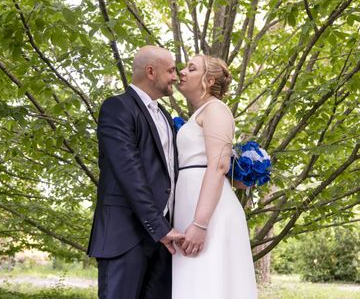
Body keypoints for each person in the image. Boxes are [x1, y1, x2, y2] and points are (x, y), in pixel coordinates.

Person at [87, 45, 185, 299]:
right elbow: (128, 171)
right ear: (151, 72)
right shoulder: (117, 108)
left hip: (163, 242)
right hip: (124, 236)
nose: (176, 76)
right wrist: (159, 226)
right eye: (171, 70)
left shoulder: (164, 115)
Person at [172, 55, 258, 298]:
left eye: (191, 68)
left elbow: (219, 165)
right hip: (191, 203)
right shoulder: (199, 113)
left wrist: (200, 224)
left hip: (209, 213)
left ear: (209, 81)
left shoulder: (216, 110)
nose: (182, 72)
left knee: (210, 282)